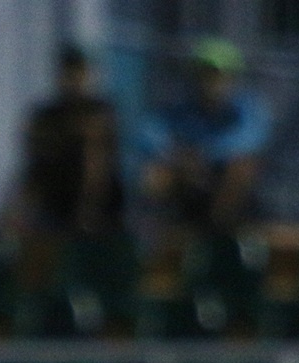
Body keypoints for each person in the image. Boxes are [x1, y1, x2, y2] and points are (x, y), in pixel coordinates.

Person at [137, 37, 270, 234]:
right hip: (189, 177)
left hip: (227, 186)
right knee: (154, 177)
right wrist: (178, 158)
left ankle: (214, 235)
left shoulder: (249, 110)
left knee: (241, 168)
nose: (212, 82)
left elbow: (248, 145)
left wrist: (201, 156)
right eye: (206, 74)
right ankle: (160, 241)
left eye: (220, 76)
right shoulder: (180, 110)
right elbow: (148, 136)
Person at [22, 45, 124, 236]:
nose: (74, 80)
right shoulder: (46, 116)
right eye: (69, 72)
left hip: (100, 207)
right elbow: (35, 157)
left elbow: (103, 157)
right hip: (53, 199)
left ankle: (88, 221)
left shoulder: (100, 111)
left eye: (79, 72)